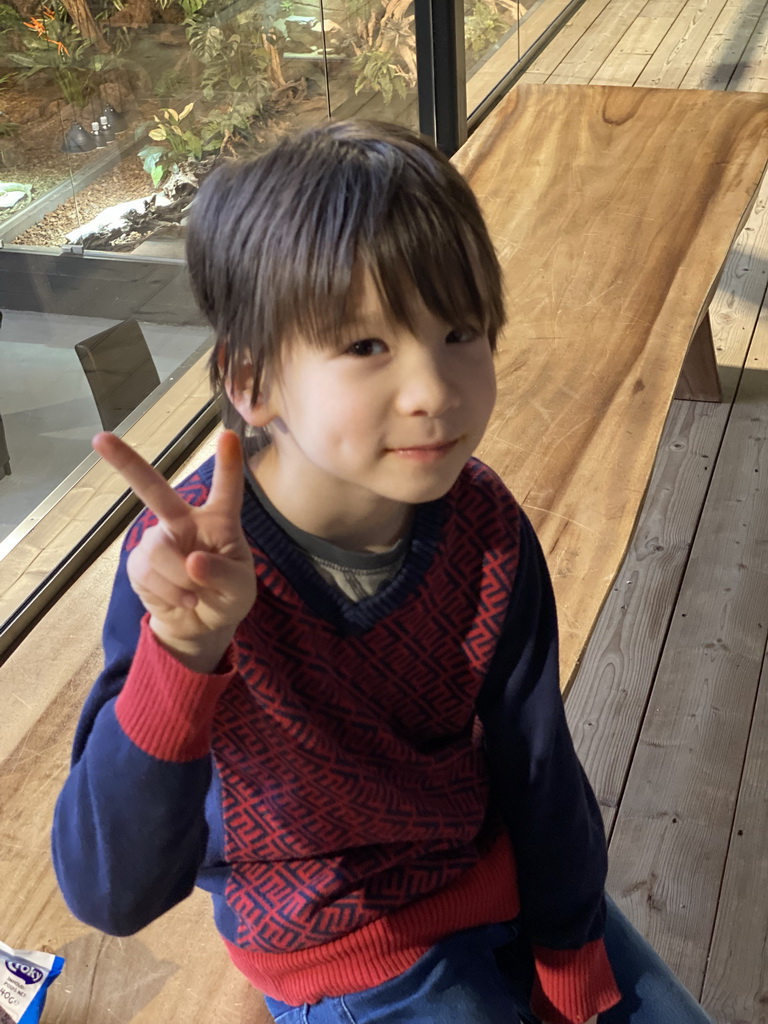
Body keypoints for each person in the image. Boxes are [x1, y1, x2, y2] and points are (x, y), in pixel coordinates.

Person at [51, 120, 713, 1024]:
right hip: (340, 949)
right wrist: (183, 652)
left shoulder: (484, 528)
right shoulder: (185, 571)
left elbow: (536, 757)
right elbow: (111, 892)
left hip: (494, 882)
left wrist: (569, 943)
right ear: (252, 382)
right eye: (365, 346)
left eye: (459, 331)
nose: (433, 390)